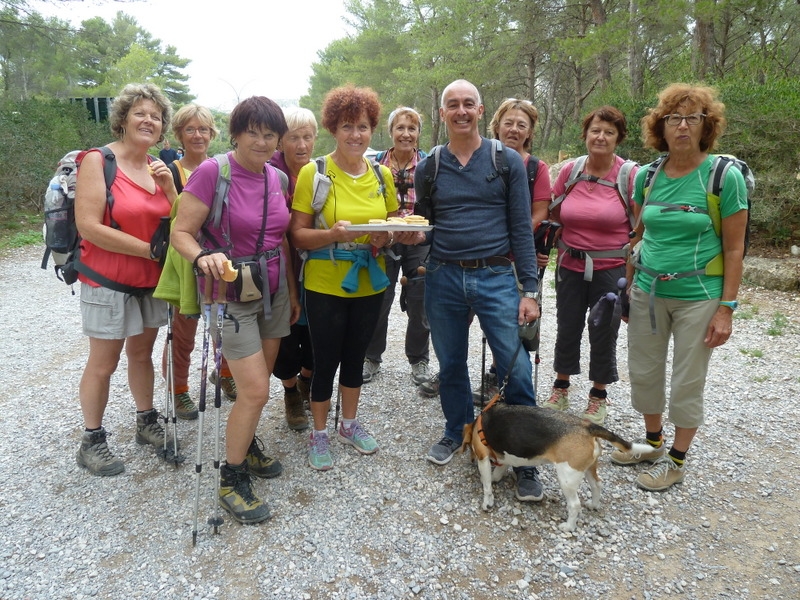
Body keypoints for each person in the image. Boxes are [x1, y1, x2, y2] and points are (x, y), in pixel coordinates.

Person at [611, 83, 747, 491]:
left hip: (699, 297)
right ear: (661, 126)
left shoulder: (724, 177)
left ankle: (676, 459)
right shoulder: (648, 176)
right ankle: (653, 444)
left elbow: (735, 249)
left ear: (707, 126)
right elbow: (638, 235)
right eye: (674, 118)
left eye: (693, 118)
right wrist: (628, 288)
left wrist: (726, 308)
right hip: (647, 291)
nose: (683, 126)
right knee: (644, 372)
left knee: (687, 380)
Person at [413, 79, 544, 502]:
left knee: (515, 367)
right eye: (452, 104)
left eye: (468, 103)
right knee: (451, 363)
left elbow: (521, 228)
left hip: (495, 276)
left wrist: (530, 289)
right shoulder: (429, 166)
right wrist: (407, 238)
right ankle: (458, 431)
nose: (461, 111)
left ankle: (525, 456)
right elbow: (424, 226)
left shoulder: (505, 160)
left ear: (481, 110)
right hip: (444, 277)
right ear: (442, 113)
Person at [171, 96, 299, 524]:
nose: (261, 142)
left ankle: (244, 444)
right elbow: (181, 231)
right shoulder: (214, 172)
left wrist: (291, 293)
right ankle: (231, 478)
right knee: (256, 389)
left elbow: (280, 239)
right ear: (236, 134)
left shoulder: (278, 177)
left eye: (270, 134)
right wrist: (200, 257)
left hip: (273, 292)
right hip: (227, 294)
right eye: (253, 133)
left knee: (255, 388)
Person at [290, 85, 403, 471]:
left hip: (370, 279)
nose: (356, 134)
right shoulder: (315, 172)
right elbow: (297, 235)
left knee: (355, 357)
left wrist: (387, 236)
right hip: (325, 281)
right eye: (347, 127)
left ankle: (348, 425)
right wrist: (332, 235)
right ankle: (319, 432)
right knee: (325, 360)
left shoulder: (382, 174)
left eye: (363, 127)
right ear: (333, 129)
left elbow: (392, 223)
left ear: (373, 130)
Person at [74, 83, 177, 477]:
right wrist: (148, 251)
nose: (148, 120)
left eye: (156, 116)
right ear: (123, 119)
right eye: (140, 113)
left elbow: (179, 221)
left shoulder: (156, 167)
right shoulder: (98, 161)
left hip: (149, 283)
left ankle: (146, 422)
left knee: (141, 353)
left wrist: (170, 188)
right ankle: (92, 440)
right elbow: (89, 226)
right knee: (104, 362)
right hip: (107, 281)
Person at [545, 106, 639, 425]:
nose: (601, 137)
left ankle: (598, 395)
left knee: (604, 330)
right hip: (570, 264)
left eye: (609, 132)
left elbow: (640, 225)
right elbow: (554, 209)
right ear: (585, 134)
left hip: (611, 268)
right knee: (567, 325)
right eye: (595, 130)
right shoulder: (570, 170)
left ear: (618, 139)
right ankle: (561, 387)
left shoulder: (628, 175)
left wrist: (633, 274)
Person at [472, 98, 552, 403]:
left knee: (516, 323)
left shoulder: (536, 168)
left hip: (520, 257)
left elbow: (540, 211)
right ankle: (494, 376)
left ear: (529, 132)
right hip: (483, 254)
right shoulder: (482, 159)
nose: (514, 129)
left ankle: (507, 381)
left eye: (522, 125)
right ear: (497, 125)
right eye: (509, 123)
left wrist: (511, 237)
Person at [154, 103, 221, 420]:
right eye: (190, 129)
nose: (197, 136)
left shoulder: (220, 168)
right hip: (184, 263)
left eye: (203, 129)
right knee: (183, 331)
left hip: (217, 260)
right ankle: (178, 389)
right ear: (179, 134)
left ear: (212, 134)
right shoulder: (171, 171)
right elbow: (172, 218)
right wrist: (170, 190)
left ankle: (225, 373)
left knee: (225, 326)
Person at [361, 106, 432, 389]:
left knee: (420, 300)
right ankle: (371, 357)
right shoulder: (374, 163)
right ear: (390, 132)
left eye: (411, 128)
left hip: (417, 239)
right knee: (379, 297)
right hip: (385, 238)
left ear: (418, 133)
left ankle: (419, 359)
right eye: (400, 128)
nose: (406, 134)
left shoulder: (429, 163)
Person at [268, 107, 318, 431]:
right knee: (285, 338)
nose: (301, 145)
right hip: (279, 269)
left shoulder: (321, 172)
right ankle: (290, 392)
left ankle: (306, 381)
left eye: (307, 137)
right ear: (281, 141)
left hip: (318, 269)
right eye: (293, 137)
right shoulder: (270, 173)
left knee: (317, 338)